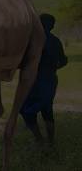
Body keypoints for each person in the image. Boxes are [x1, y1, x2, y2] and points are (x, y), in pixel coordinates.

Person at [20, 13, 68, 144]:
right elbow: (63, 61)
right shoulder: (55, 41)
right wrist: (54, 67)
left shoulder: (31, 41)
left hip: (34, 82)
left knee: (25, 111)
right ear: (51, 26)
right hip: (50, 80)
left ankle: (39, 139)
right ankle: (51, 141)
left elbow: (22, 62)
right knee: (47, 110)